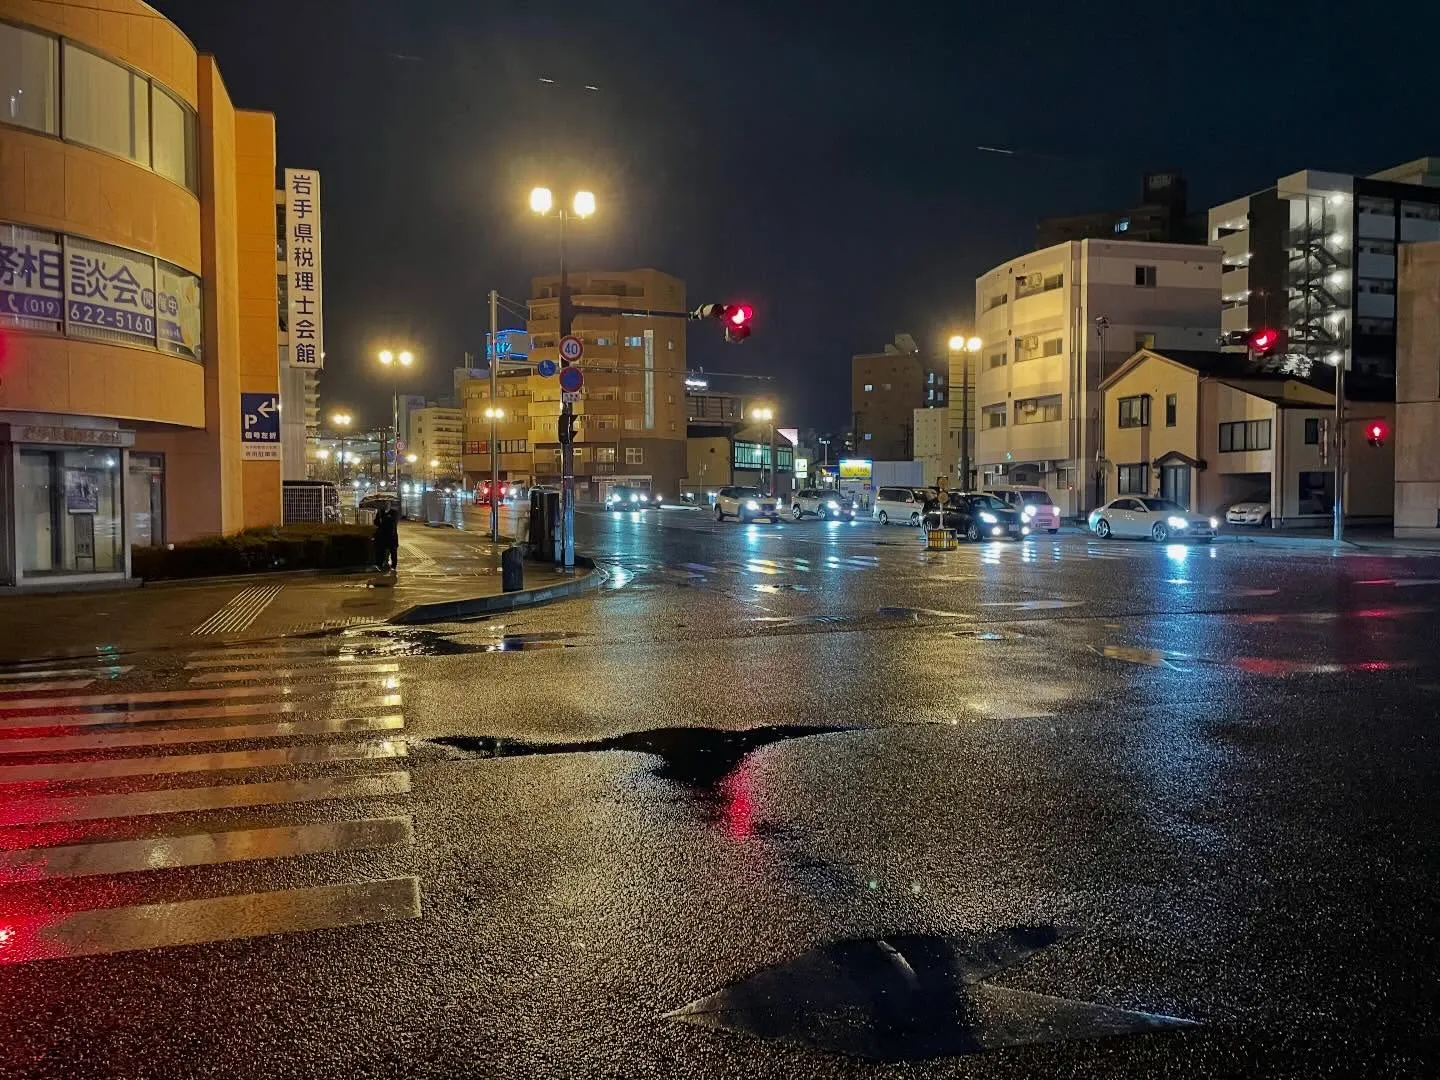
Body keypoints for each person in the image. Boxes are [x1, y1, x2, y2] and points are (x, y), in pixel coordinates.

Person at [373, 505, 400, 571]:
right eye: (384, 503)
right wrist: (379, 521)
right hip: (383, 536)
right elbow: (376, 522)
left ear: (390, 504)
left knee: (393, 551)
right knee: (382, 551)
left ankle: (394, 565)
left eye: (387, 503)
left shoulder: (394, 512)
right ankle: (382, 564)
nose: (386, 504)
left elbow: (394, 521)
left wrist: (384, 518)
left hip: (392, 536)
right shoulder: (380, 512)